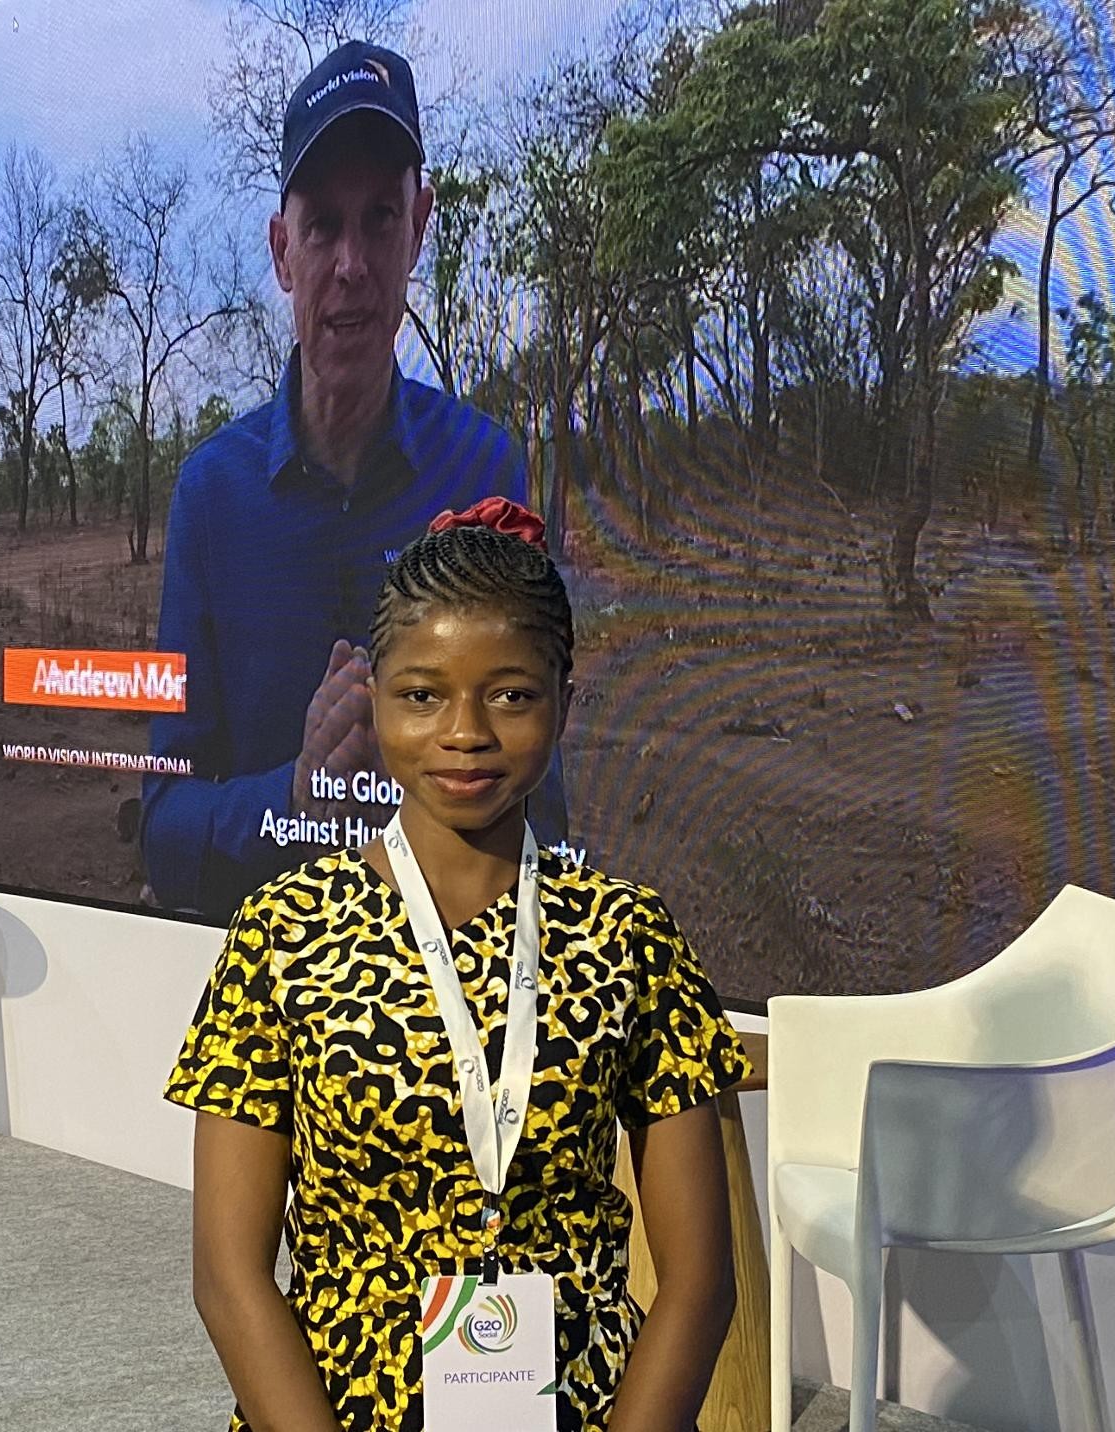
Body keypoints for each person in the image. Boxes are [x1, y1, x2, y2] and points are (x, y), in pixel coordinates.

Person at [166, 499, 748, 1432]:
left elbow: (699, 1282)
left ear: (565, 701)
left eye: (510, 694)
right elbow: (230, 1279)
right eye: (422, 694)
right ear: (373, 698)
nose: (464, 732)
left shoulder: (629, 939)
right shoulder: (281, 934)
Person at [142, 40, 562, 921]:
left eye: (379, 218)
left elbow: (543, 803)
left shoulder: (484, 468)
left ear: (420, 229)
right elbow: (165, 830)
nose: (352, 265)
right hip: (262, 999)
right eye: (324, 225)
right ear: (282, 252)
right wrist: (294, 801)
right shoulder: (211, 498)